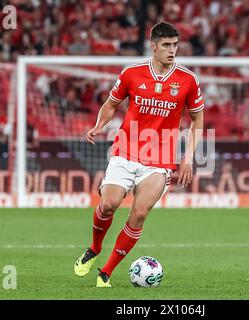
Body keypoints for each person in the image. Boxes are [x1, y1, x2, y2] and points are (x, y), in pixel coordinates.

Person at [74, 22, 205, 287]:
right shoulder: (132, 73)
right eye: (166, 45)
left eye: (175, 45)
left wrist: (188, 157)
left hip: (160, 159)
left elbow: (197, 120)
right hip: (126, 150)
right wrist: (99, 125)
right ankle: (95, 247)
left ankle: (106, 272)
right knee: (108, 204)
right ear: (153, 46)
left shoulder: (188, 80)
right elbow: (111, 104)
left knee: (140, 212)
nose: (172, 50)